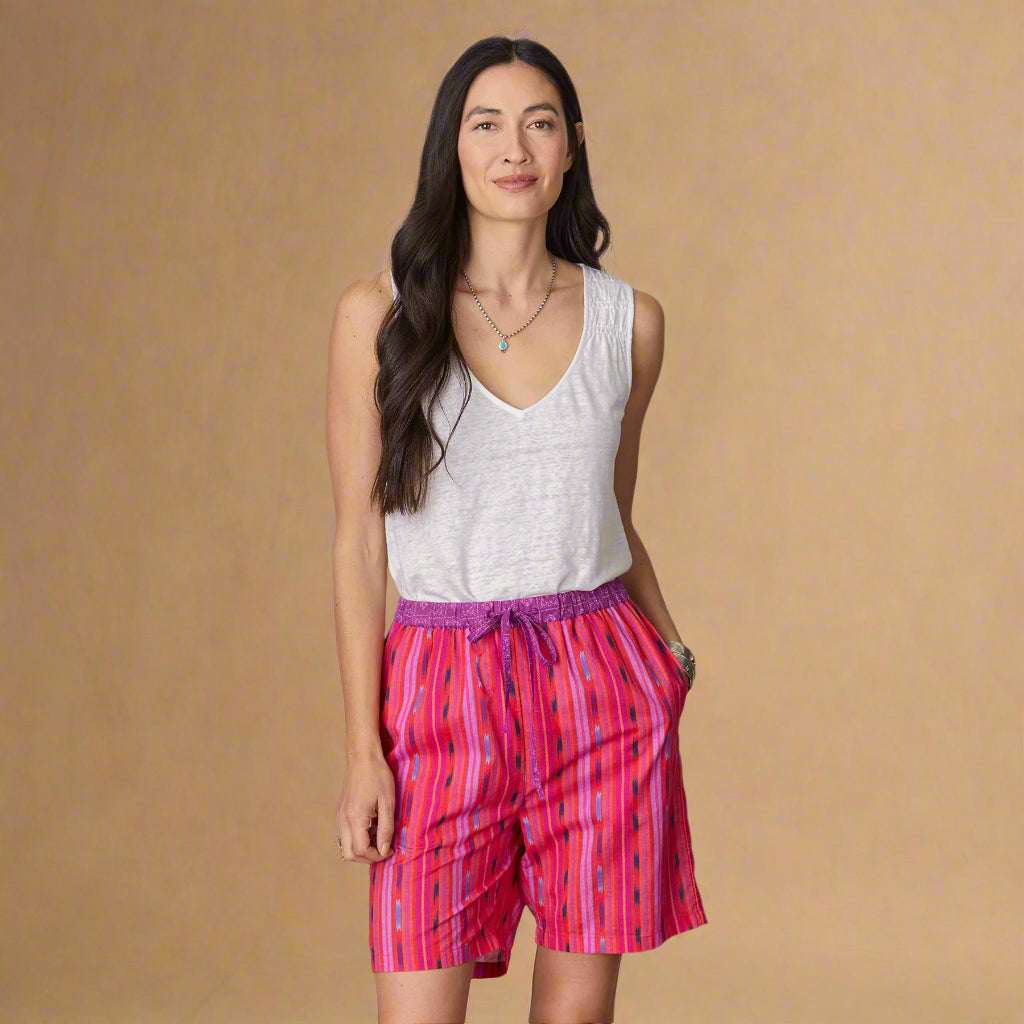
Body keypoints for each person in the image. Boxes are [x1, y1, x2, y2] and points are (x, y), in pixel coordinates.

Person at [326, 35, 707, 1024]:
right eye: (485, 123)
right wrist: (365, 750)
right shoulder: (379, 315)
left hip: (598, 681)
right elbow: (359, 544)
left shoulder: (631, 322)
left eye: (539, 123)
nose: (514, 148)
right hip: (439, 684)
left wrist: (669, 653)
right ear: (449, 148)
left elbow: (610, 513)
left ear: (572, 146)